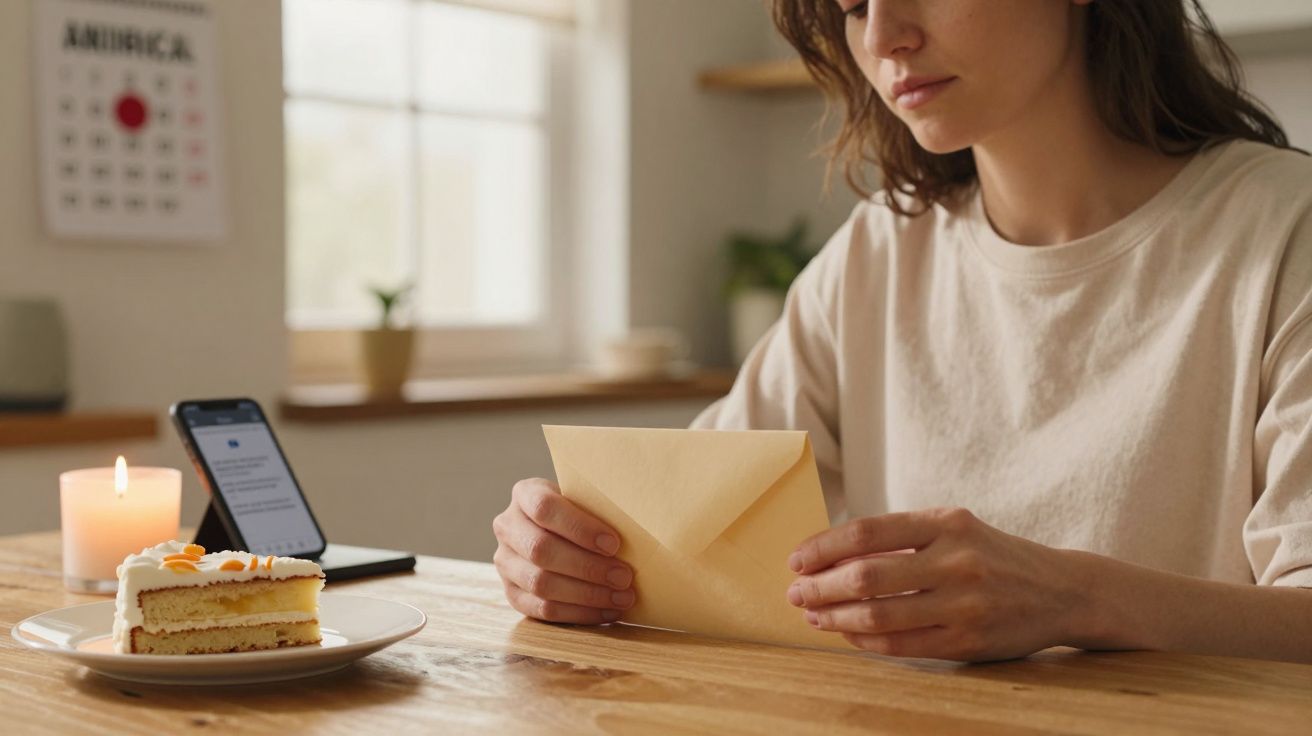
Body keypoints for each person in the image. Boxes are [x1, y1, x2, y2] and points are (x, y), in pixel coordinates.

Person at [492, 0, 1312, 663]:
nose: (883, 36)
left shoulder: (1285, 232)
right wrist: (570, 555)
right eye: (850, 5)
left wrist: (1077, 598)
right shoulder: (875, 251)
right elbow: (687, 531)